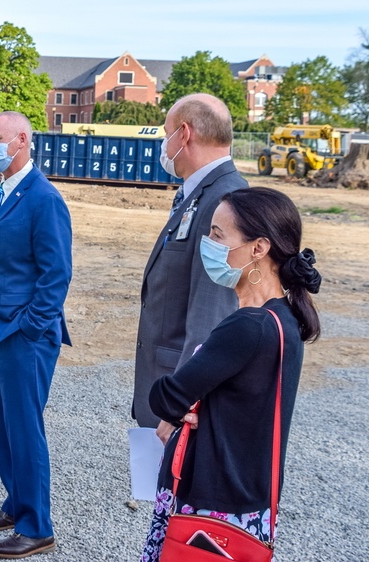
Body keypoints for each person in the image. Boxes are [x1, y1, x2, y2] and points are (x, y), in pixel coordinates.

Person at [139, 187, 322, 561]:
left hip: (211, 501)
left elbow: (166, 396)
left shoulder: (247, 327)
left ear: (259, 248)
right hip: (248, 500)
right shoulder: (283, 318)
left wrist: (185, 400)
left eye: (218, 236)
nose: (209, 244)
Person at [0, 111, 72, 559]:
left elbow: (56, 274)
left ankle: (37, 526)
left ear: (22, 140)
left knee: (25, 430)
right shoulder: (0, 193)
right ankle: (16, 503)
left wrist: (29, 326)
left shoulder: (43, 198)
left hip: (23, 335)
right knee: (3, 428)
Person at [133, 93, 248, 430]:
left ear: (184, 134)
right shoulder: (199, 192)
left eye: (166, 133)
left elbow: (211, 315)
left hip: (180, 398)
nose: (164, 145)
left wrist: (180, 400)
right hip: (169, 384)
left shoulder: (225, 200)